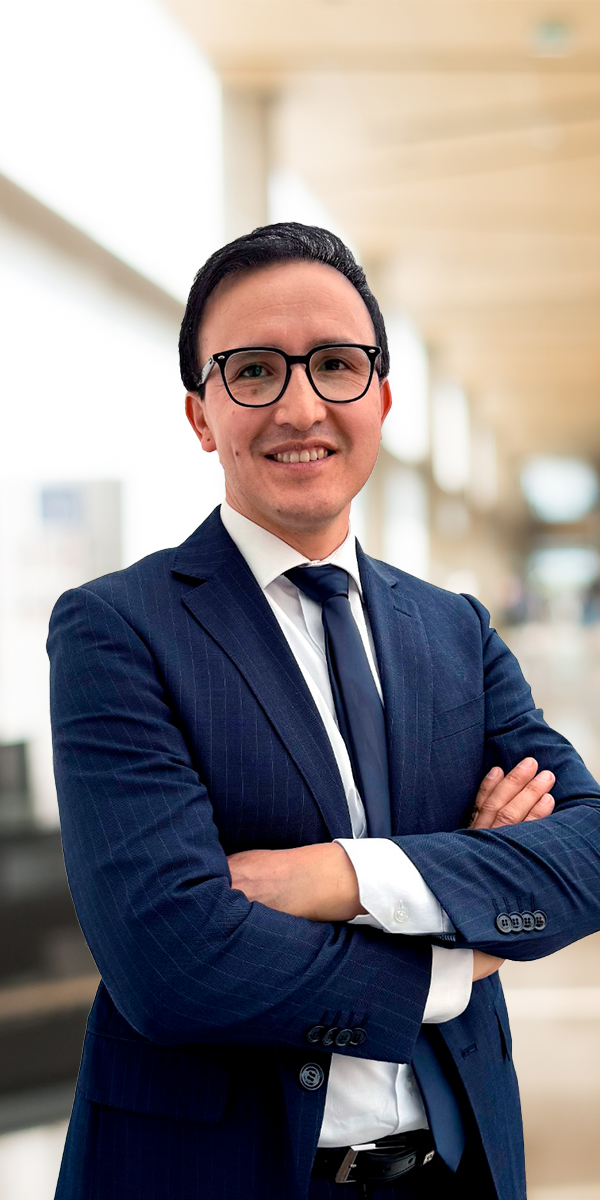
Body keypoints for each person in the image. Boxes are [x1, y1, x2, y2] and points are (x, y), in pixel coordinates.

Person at [48, 223, 600, 1200]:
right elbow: (169, 960)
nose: (301, 406)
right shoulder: (116, 630)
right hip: (219, 1175)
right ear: (201, 414)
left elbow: (587, 850)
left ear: (381, 397)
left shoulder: (454, 629)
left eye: (336, 365)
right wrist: (454, 956)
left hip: (459, 1169)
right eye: (255, 370)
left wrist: (337, 877)